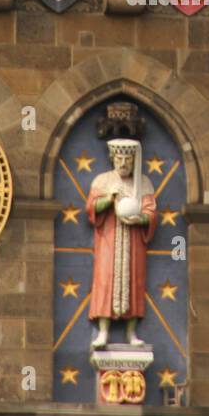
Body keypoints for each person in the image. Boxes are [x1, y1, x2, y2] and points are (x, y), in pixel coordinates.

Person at [86, 139, 157, 348]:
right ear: (113, 159)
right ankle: (103, 331)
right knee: (105, 280)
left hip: (133, 240)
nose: (123, 163)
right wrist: (109, 199)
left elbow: (151, 212)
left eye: (128, 159)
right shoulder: (103, 180)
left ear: (134, 160)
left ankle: (131, 332)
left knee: (134, 281)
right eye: (119, 159)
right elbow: (91, 207)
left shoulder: (142, 182)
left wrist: (140, 219)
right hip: (109, 239)